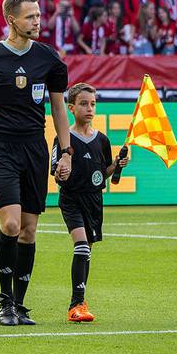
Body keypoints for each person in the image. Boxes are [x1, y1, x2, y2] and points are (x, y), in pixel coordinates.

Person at [0, 0, 72, 327]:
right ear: (11, 20)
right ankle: (5, 301)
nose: (37, 21)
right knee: (10, 224)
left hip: (35, 149)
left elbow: (58, 108)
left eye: (39, 15)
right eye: (30, 17)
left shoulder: (49, 59)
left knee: (29, 231)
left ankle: (20, 304)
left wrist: (65, 152)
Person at [55, 83, 127, 324]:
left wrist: (115, 165)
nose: (90, 108)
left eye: (93, 104)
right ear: (72, 107)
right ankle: (75, 305)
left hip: (95, 200)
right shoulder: (64, 139)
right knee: (82, 247)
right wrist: (60, 174)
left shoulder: (102, 140)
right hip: (72, 199)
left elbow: (102, 172)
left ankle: (81, 300)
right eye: (84, 104)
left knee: (87, 253)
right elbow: (57, 171)